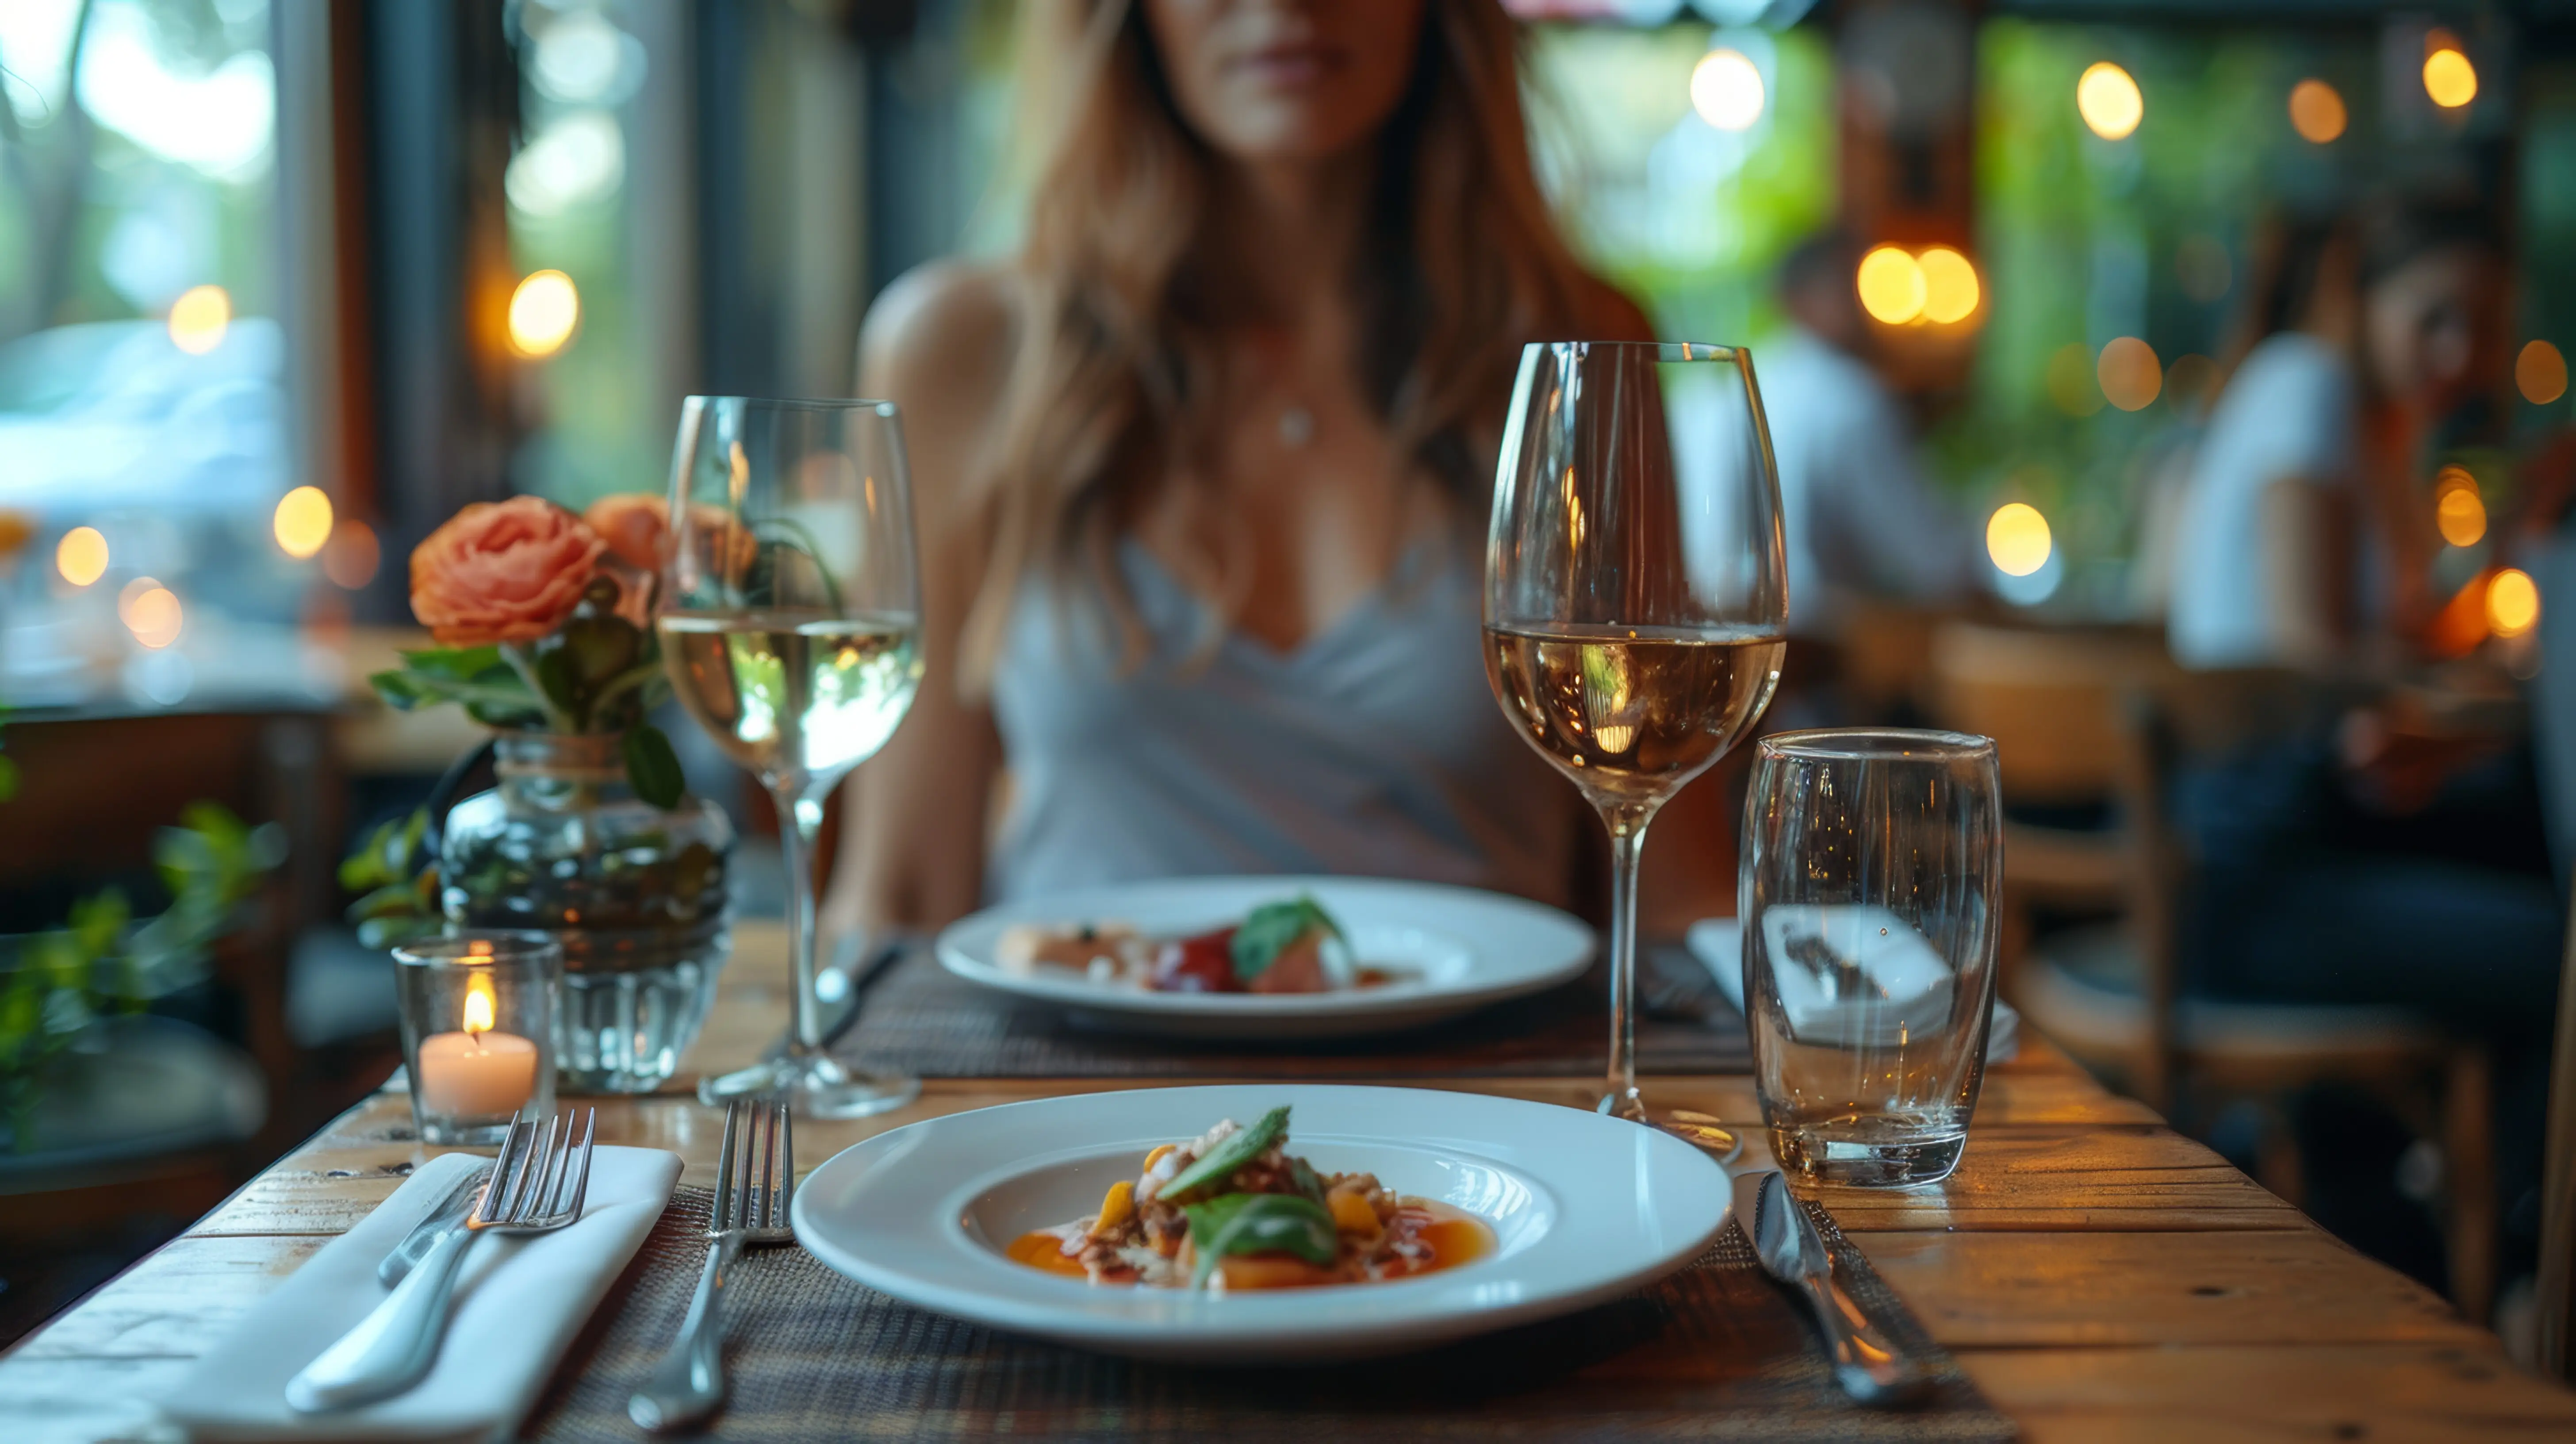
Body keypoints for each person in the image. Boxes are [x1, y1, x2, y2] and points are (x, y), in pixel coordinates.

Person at [818, 0, 1679, 948]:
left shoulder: (1579, 350)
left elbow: (1675, 886)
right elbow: (898, 894)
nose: (1284, 7)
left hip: (1478, 1086)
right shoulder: (967, 352)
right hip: (1076, 1082)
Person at [1752, 231, 1980, 639]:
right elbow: (1932, 561)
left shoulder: (1715, 393)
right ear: (1804, 299)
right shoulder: (1851, 400)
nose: (1869, 307)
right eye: (1854, 289)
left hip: (1721, 650)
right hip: (1821, 667)